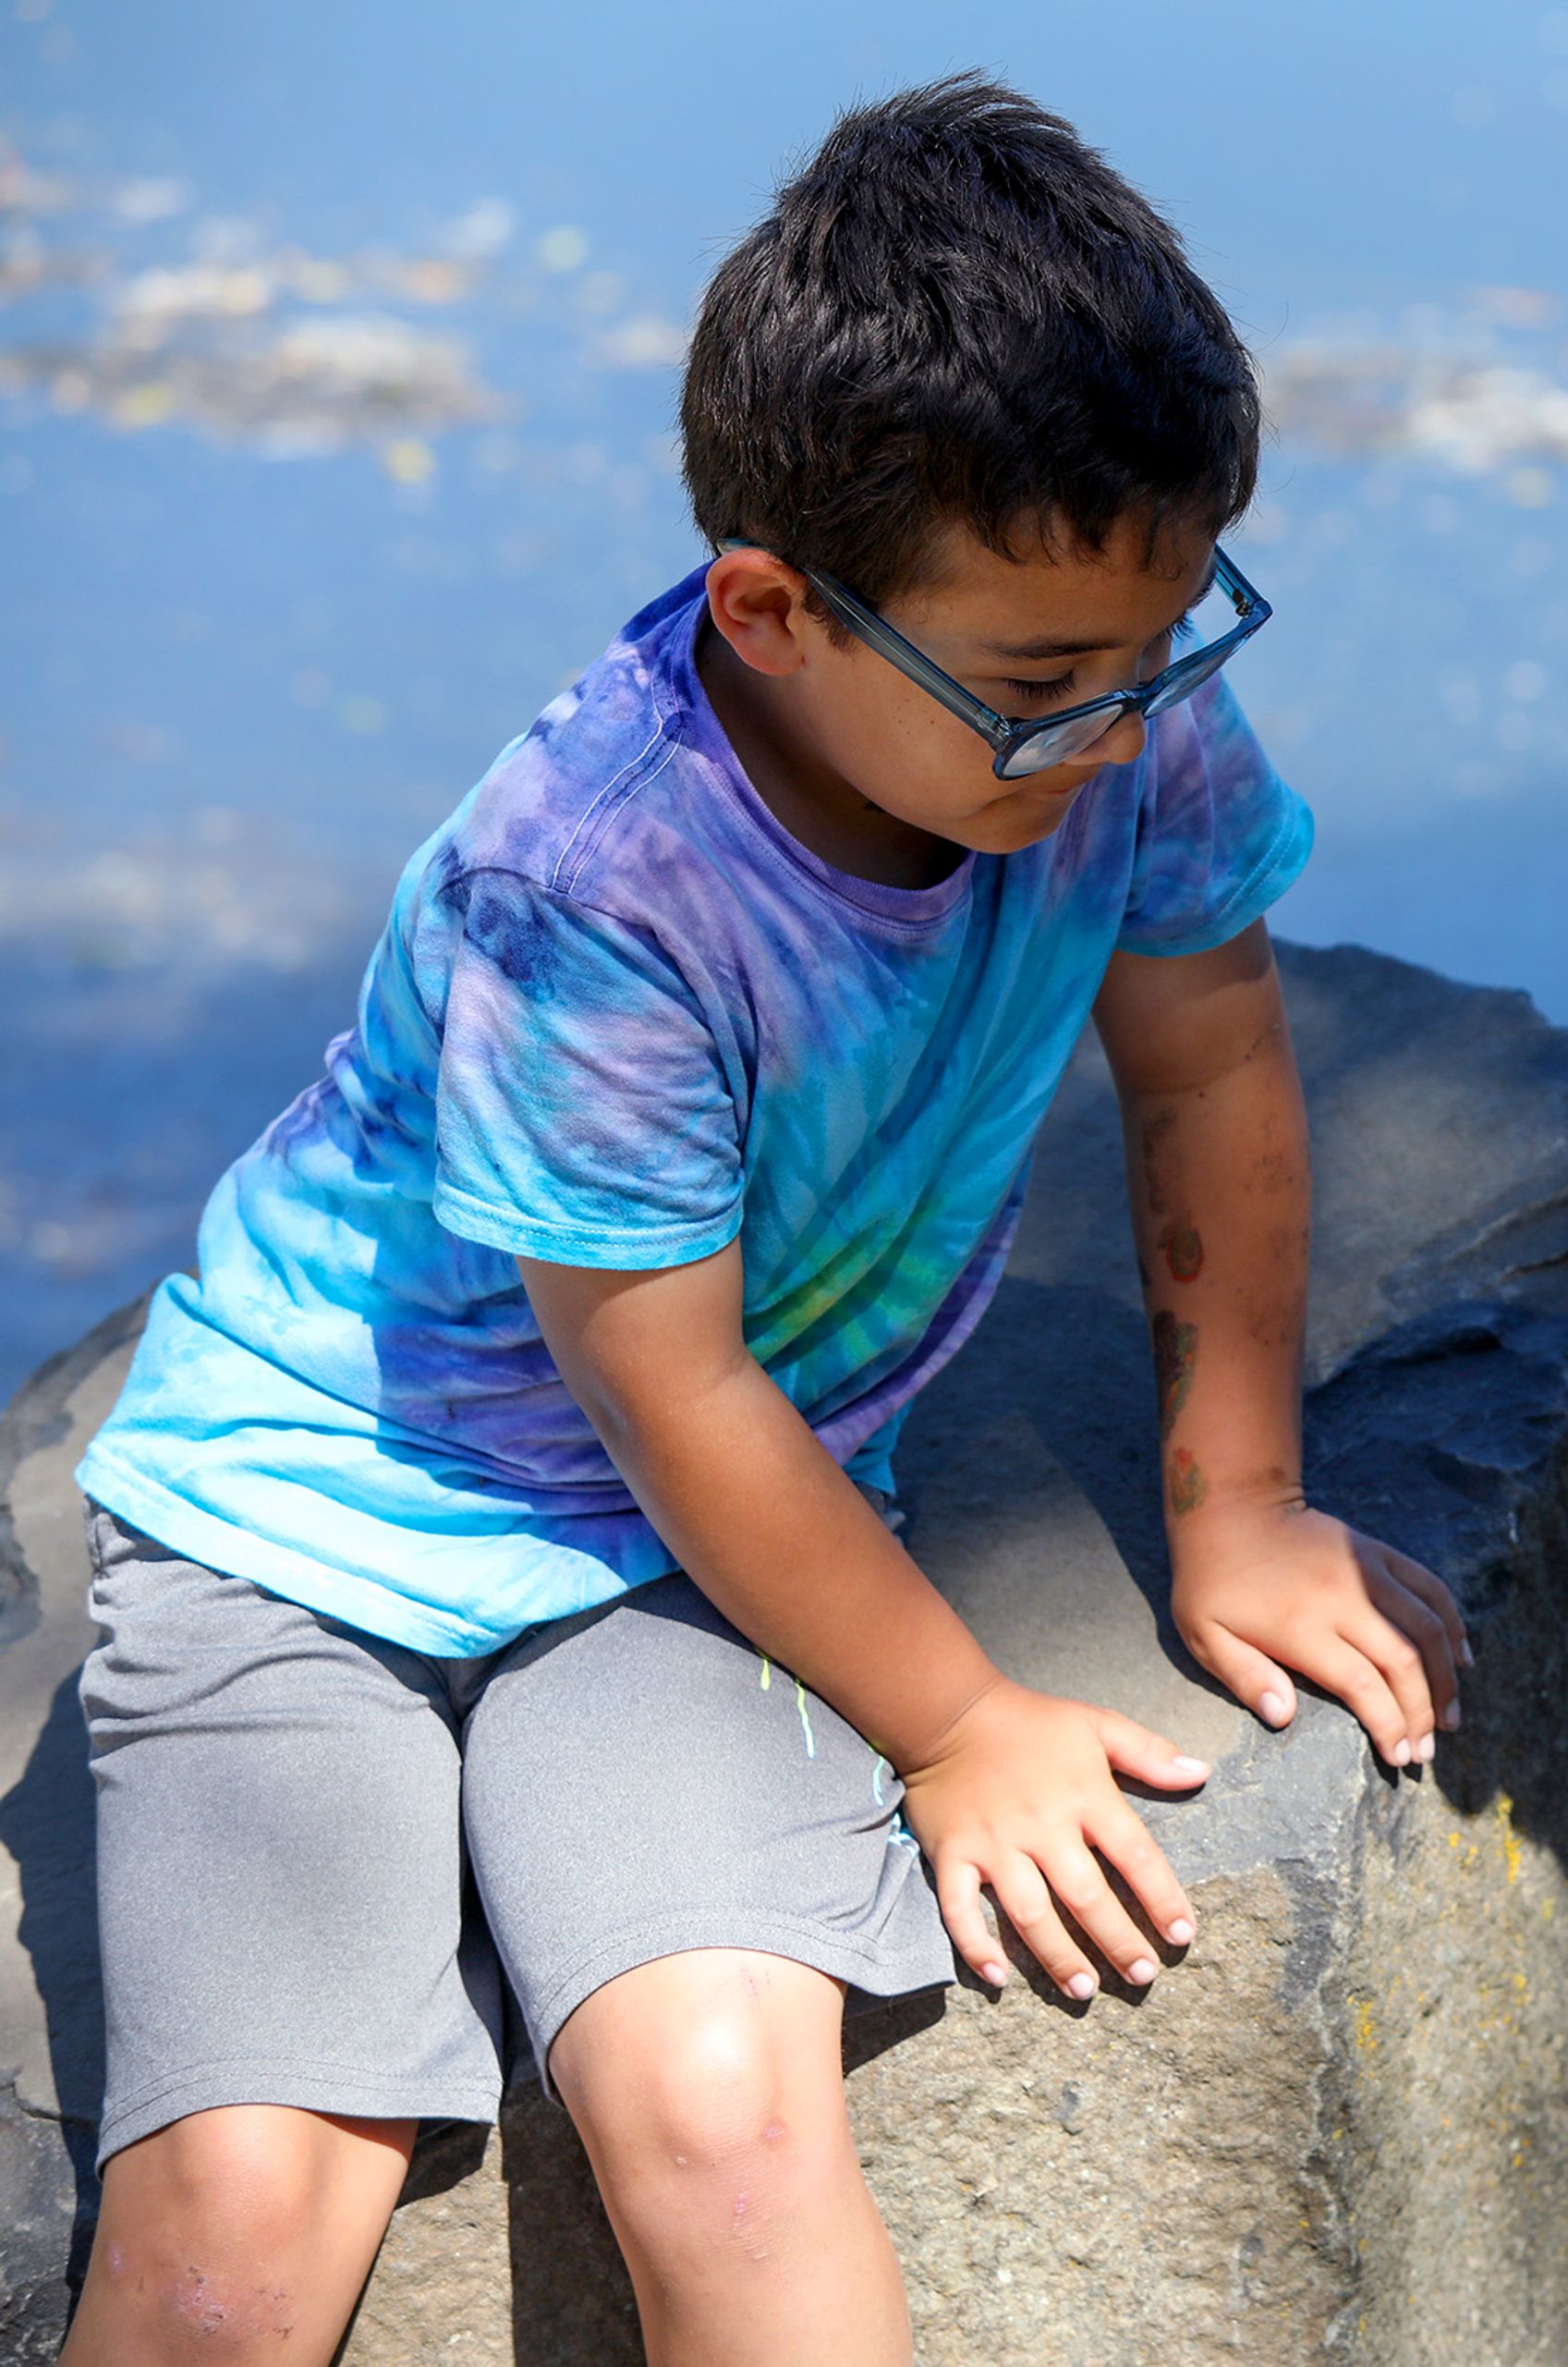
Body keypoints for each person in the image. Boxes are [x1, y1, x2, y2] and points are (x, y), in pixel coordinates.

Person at [59, 78, 1466, 2363]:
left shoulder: (1117, 712)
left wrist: (1245, 1509)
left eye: (1164, 643)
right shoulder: (596, 891)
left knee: (720, 2114)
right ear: (772, 605)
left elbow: (1208, 1070)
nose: (1116, 731)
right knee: (237, 2220)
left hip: (677, 1567)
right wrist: (958, 1719)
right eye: (1037, 684)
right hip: (314, 1529)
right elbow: (668, 1378)